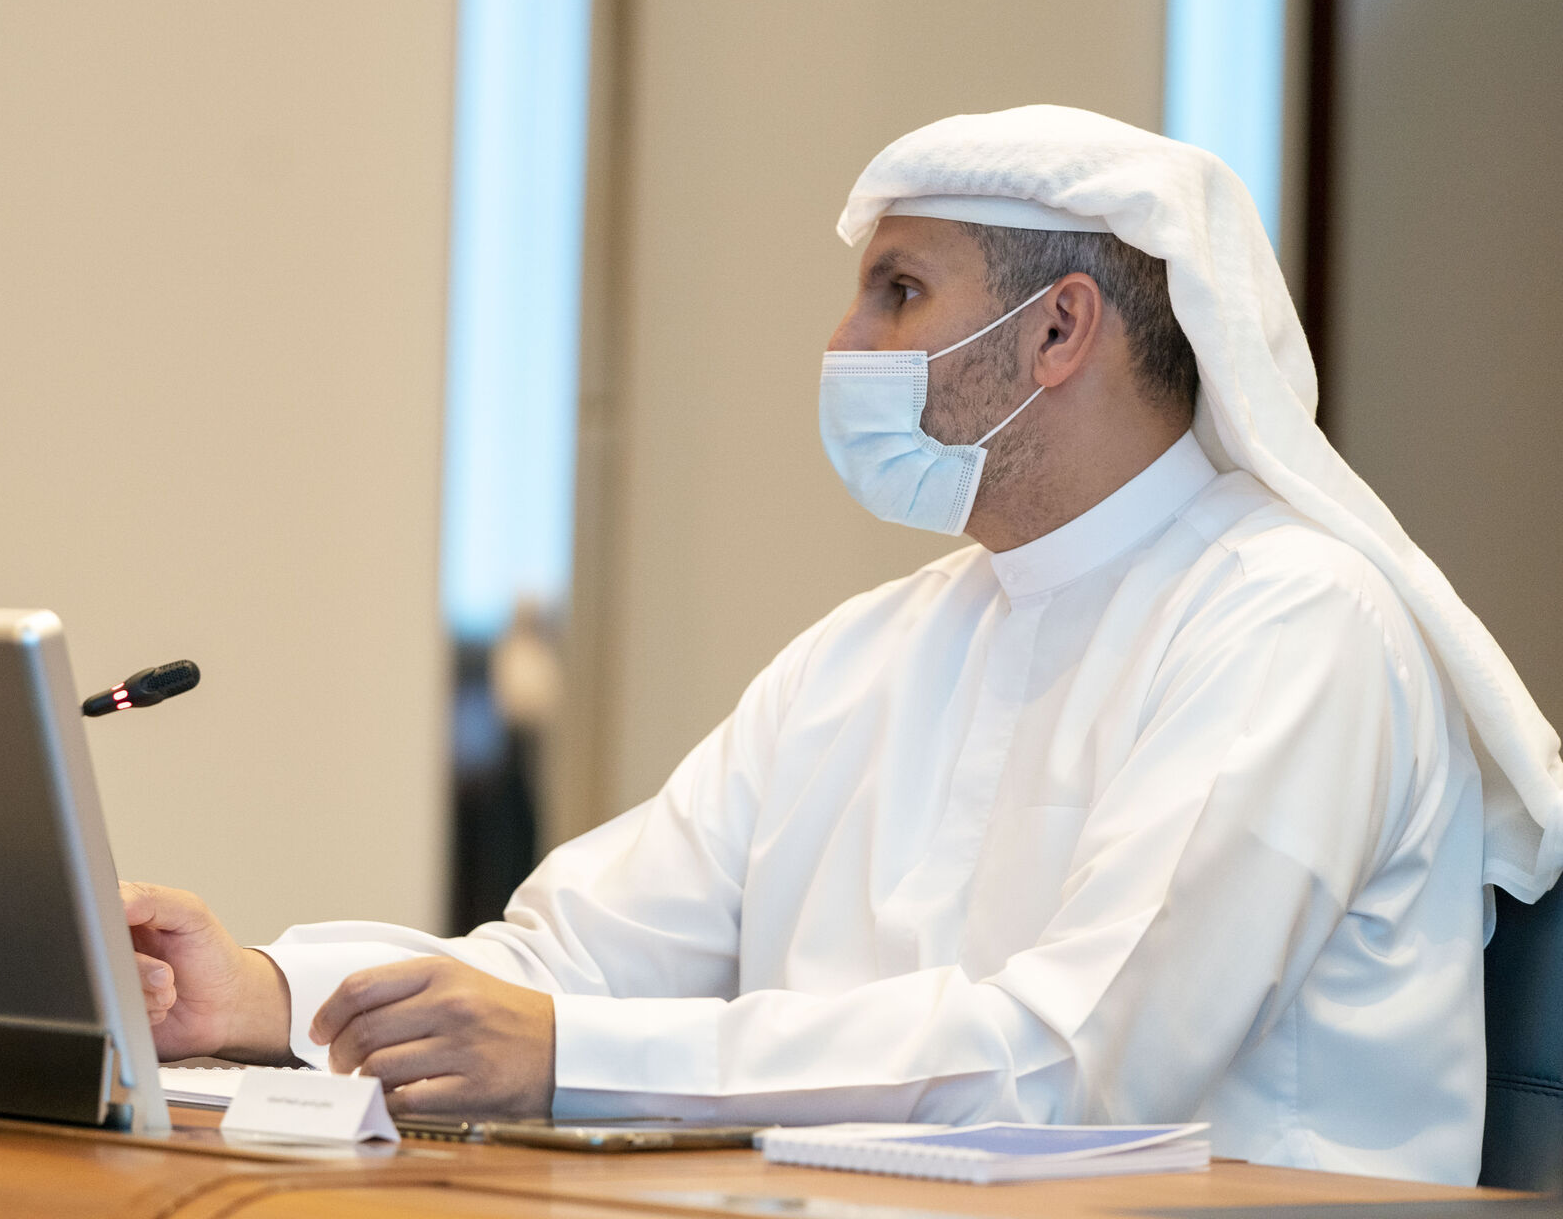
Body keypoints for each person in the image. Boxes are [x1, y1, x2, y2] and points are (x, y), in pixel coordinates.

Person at [122, 106, 1563, 1184]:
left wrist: (574, 1060)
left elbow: (1075, 1070)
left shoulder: (1293, 623)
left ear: (1061, 330)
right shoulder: (876, 648)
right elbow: (573, 962)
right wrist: (262, 995)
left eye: (899, 293)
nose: (845, 341)